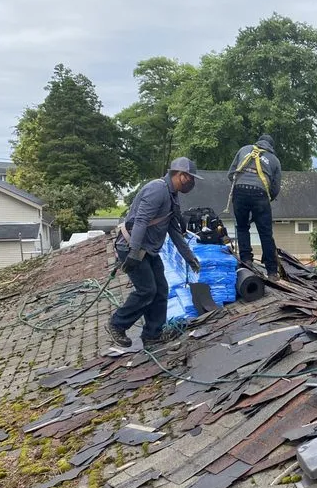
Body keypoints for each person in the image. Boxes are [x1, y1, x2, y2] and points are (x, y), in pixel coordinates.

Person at [106, 156, 203, 349]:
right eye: (190, 178)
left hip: (148, 250)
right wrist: (133, 252)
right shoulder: (158, 189)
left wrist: (190, 257)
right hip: (133, 247)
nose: (192, 183)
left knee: (161, 290)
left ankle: (152, 334)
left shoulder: (172, 195)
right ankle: (117, 324)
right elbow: (141, 220)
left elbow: (174, 231)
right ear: (181, 175)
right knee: (147, 290)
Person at [227, 134, 282, 281]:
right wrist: (265, 197)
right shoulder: (274, 160)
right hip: (260, 194)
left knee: (243, 227)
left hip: (239, 191)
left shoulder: (244, 149)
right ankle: (272, 272)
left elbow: (231, 174)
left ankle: (246, 261)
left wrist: (241, 187)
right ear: (271, 146)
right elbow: (275, 188)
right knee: (265, 233)